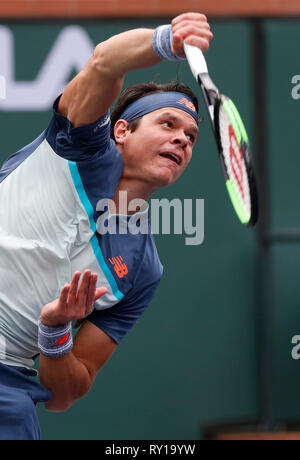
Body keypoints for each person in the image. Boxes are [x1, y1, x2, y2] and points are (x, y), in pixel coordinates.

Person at [0, 12, 213, 440]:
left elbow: (63, 394)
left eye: (190, 136)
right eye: (168, 124)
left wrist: (56, 332)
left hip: (9, 388)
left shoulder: (141, 270)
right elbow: (103, 63)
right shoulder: (78, 146)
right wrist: (164, 40)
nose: (182, 140)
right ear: (120, 131)